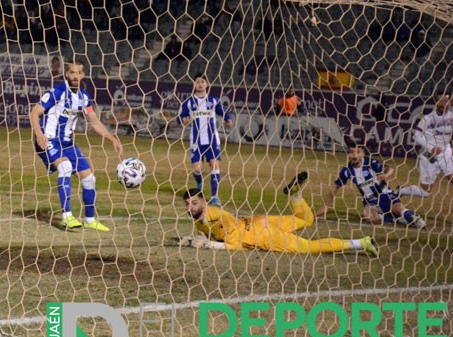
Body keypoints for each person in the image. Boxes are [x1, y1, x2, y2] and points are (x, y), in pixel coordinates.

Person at [180, 172, 379, 257]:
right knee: (306, 219)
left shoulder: (216, 215)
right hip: (260, 220)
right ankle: (295, 197)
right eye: (188, 204)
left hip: (262, 235)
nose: (190, 208)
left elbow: (235, 245)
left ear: (204, 203)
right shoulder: (201, 220)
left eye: (195, 203)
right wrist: (195, 238)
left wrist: (209, 245)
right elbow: (213, 233)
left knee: (308, 247)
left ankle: (362, 242)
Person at [30, 60, 124, 232]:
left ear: (83, 75)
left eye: (78, 73)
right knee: (65, 167)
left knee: (89, 178)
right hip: (48, 140)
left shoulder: (84, 97)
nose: (75, 76)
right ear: (67, 74)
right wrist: (38, 134)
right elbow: (35, 112)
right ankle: (67, 217)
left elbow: (93, 121)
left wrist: (112, 139)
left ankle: (89, 219)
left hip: (67, 143)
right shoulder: (57, 91)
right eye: (72, 72)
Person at [316, 145, 424, 228]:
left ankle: (413, 218)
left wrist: (384, 175)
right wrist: (326, 206)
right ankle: (396, 220)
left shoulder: (369, 162)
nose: (354, 155)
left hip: (385, 194)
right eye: (351, 153)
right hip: (370, 201)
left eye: (357, 152)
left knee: (398, 208)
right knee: (370, 218)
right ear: (348, 155)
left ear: (362, 154)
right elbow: (335, 187)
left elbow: (389, 168)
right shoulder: (346, 171)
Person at [177, 75, 233, 205]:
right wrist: (183, 120)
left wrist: (228, 119)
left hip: (212, 140)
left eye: (202, 82)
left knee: (214, 165)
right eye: (197, 82)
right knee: (197, 169)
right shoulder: (189, 102)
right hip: (196, 140)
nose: (200, 84)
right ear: (194, 85)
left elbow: (222, 111)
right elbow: (180, 117)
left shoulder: (213, 100)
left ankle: (214, 197)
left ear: (207, 84)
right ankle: (199, 182)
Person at [399, 93, 453, 198]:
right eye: (440, 101)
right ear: (436, 103)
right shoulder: (428, 118)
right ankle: (401, 191)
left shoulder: (451, 117)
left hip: (446, 153)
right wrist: (431, 148)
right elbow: (416, 135)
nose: (442, 104)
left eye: (445, 101)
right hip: (429, 155)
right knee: (426, 192)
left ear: (450, 103)